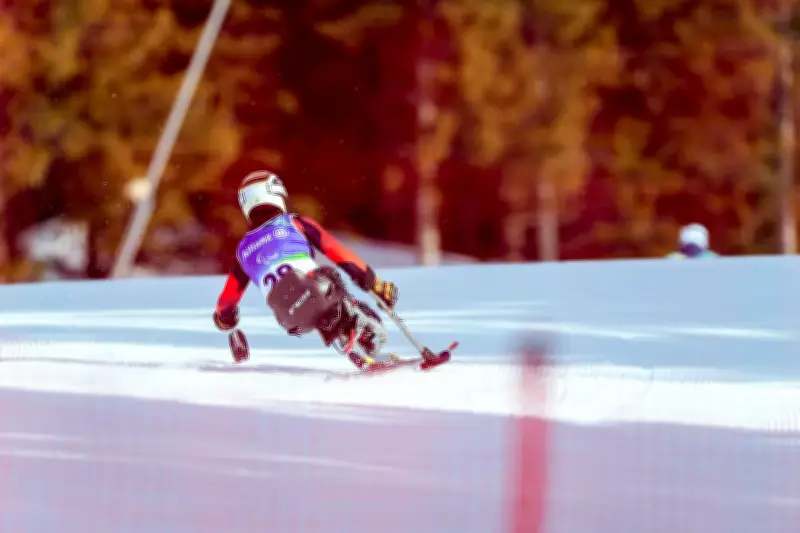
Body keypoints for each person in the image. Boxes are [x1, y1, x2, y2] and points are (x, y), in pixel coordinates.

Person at [212, 170, 399, 369]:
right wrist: (373, 283)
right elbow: (338, 252)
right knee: (333, 293)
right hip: (317, 289)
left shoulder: (243, 251)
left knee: (317, 311)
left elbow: (226, 303)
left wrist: (225, 319)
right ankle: (360, 334)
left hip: (288, 317)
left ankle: (349, 340)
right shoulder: (295, 223)